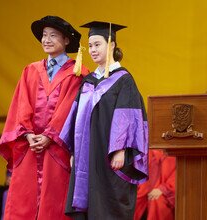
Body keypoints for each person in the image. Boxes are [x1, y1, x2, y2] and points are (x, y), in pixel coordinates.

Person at [0, 15, 89, 219]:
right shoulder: (30, 70)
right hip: (29, 146)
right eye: (44, 35)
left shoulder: (77, 73)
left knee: (56, 200)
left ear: (66, 40)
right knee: (23, 200)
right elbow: (21, 105)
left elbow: (69, 108)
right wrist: (28, 134)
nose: (46, 40)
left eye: (53, 35)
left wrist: (49, 136)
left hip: (58, 148)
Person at [59, 21, 148, 220]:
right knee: (89, 204)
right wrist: (75, 150)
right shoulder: (88, 81)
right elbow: (76, 118)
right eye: (90, 46)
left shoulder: (124, 80)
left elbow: (128, 118)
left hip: (110, 156)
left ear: (112, 45)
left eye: (97, 44)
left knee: (108, 206)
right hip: (88, 155)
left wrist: (121, 149)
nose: (92, 50)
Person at [134, 149, 176, 220]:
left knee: (157, 202)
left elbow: (176, 176)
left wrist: (162, 189)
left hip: (164, 192)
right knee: (133, 200)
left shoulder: (173, 153)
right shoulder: (146, 150)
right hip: (144, 188)